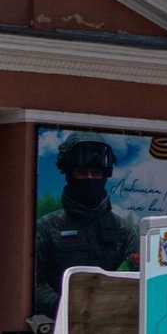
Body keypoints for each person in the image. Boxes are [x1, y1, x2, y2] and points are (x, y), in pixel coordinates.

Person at [32, 135, 140, 323]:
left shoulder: (124, 231)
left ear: (105, 176)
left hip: (113, 327)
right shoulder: (46, 228)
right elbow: (33, 283)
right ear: (68, 174)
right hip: (59, 330)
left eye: (95, 173)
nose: (89, 178)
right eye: (82, 172)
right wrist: (68, 307)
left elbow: (135, 282)